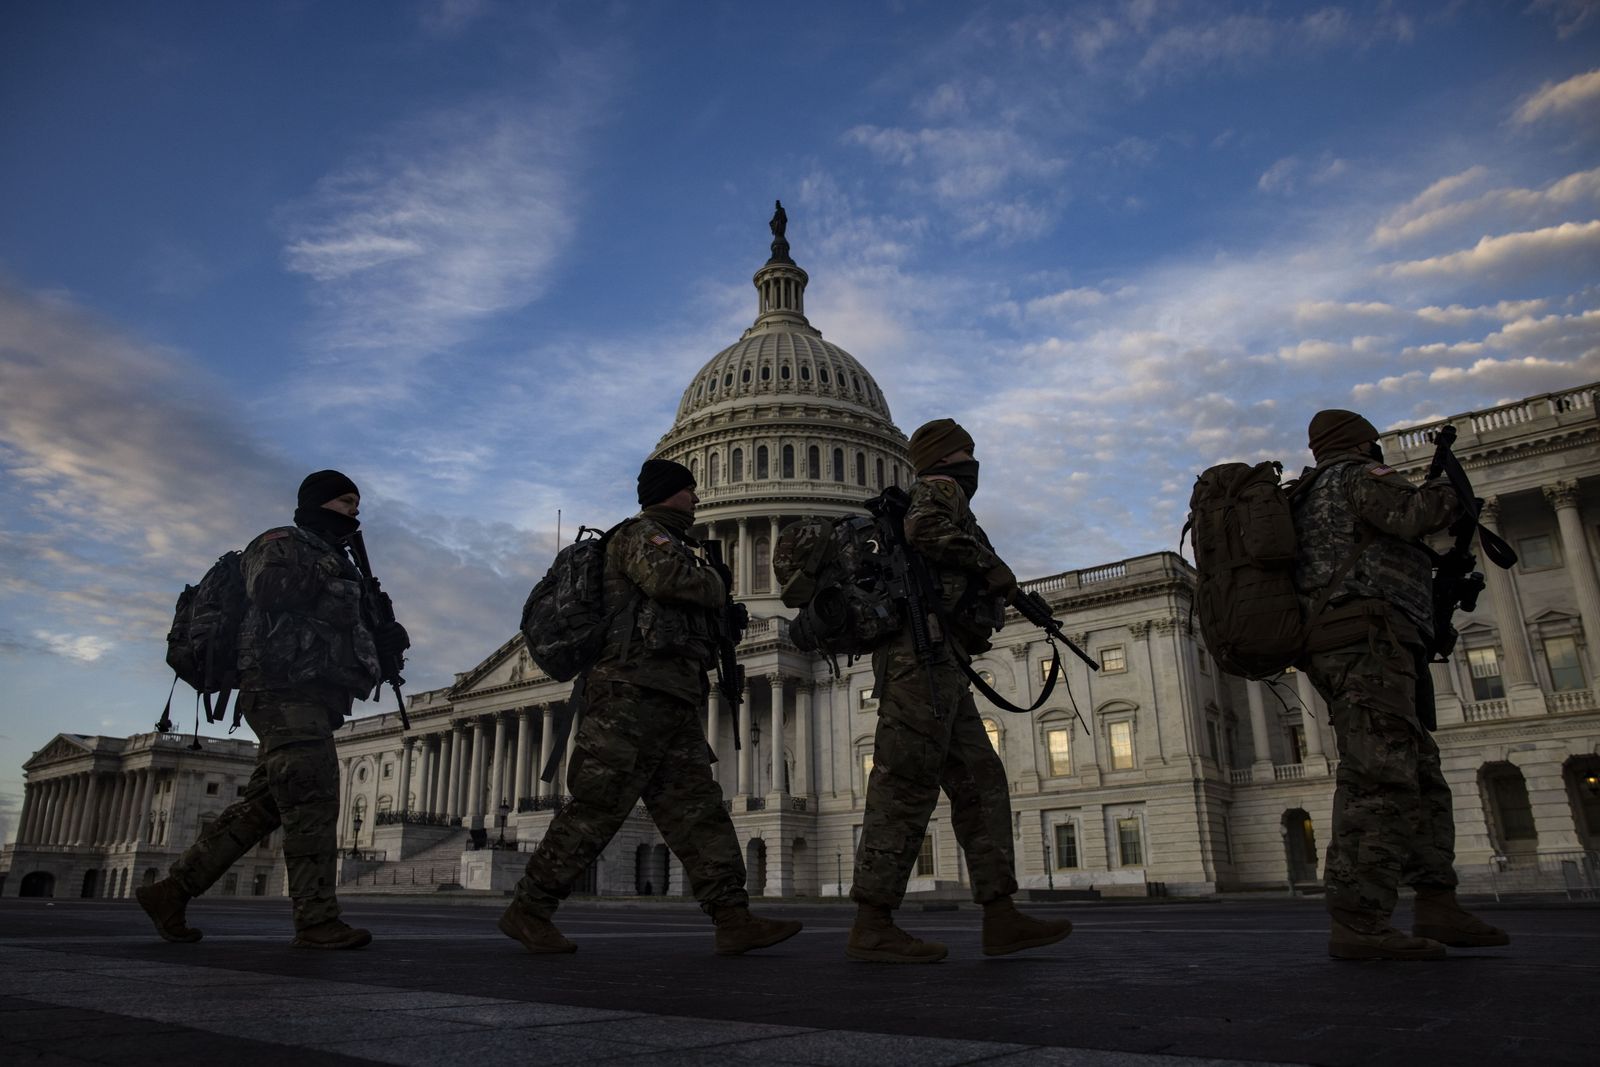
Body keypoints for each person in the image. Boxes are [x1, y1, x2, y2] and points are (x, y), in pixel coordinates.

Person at [498, 458, 802, 956]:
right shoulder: (642, 536)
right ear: (669, 493)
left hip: (673, 697)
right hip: (629, 695)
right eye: (690, 491)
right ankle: (529, 908)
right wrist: (718, 586)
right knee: (597, 807)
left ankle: (733, 917)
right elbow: (668, 581)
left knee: (699, 811)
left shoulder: (682, 545)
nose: (698, 499)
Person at [136, 470, 409, 949]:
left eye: (356, 503)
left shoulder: (338, 559)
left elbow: (336, 625)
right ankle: (317, 919)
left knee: (263, 807)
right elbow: (270, 590)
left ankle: (171, 890)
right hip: (282, 689)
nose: (354, 512)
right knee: (313, 802)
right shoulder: (281, 542)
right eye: (346, 502)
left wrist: (382, 637)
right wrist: (330, 565)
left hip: (315, 695)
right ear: (319, 503)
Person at [847, 419, 1073, 963]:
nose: (974, 459)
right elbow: (924, 531)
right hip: (917, 659)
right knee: (905, 785)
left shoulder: (945, 496)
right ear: (945, 458)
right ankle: (873, 922)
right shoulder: (938, 490)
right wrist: (989, 565)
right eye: (966, 450)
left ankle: (1001, 914)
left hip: (940, 659)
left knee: (980, 780)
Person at [1293, 410, 1511, 961]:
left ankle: (1438, 901)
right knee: (1379, 775)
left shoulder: (1313, 491)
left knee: (1418, 774)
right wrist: (1446, 487)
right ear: (1365, 442)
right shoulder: (1353, 477)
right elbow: (1414, 513)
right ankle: (1360, 920)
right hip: (1367, 642)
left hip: (1378, 642)